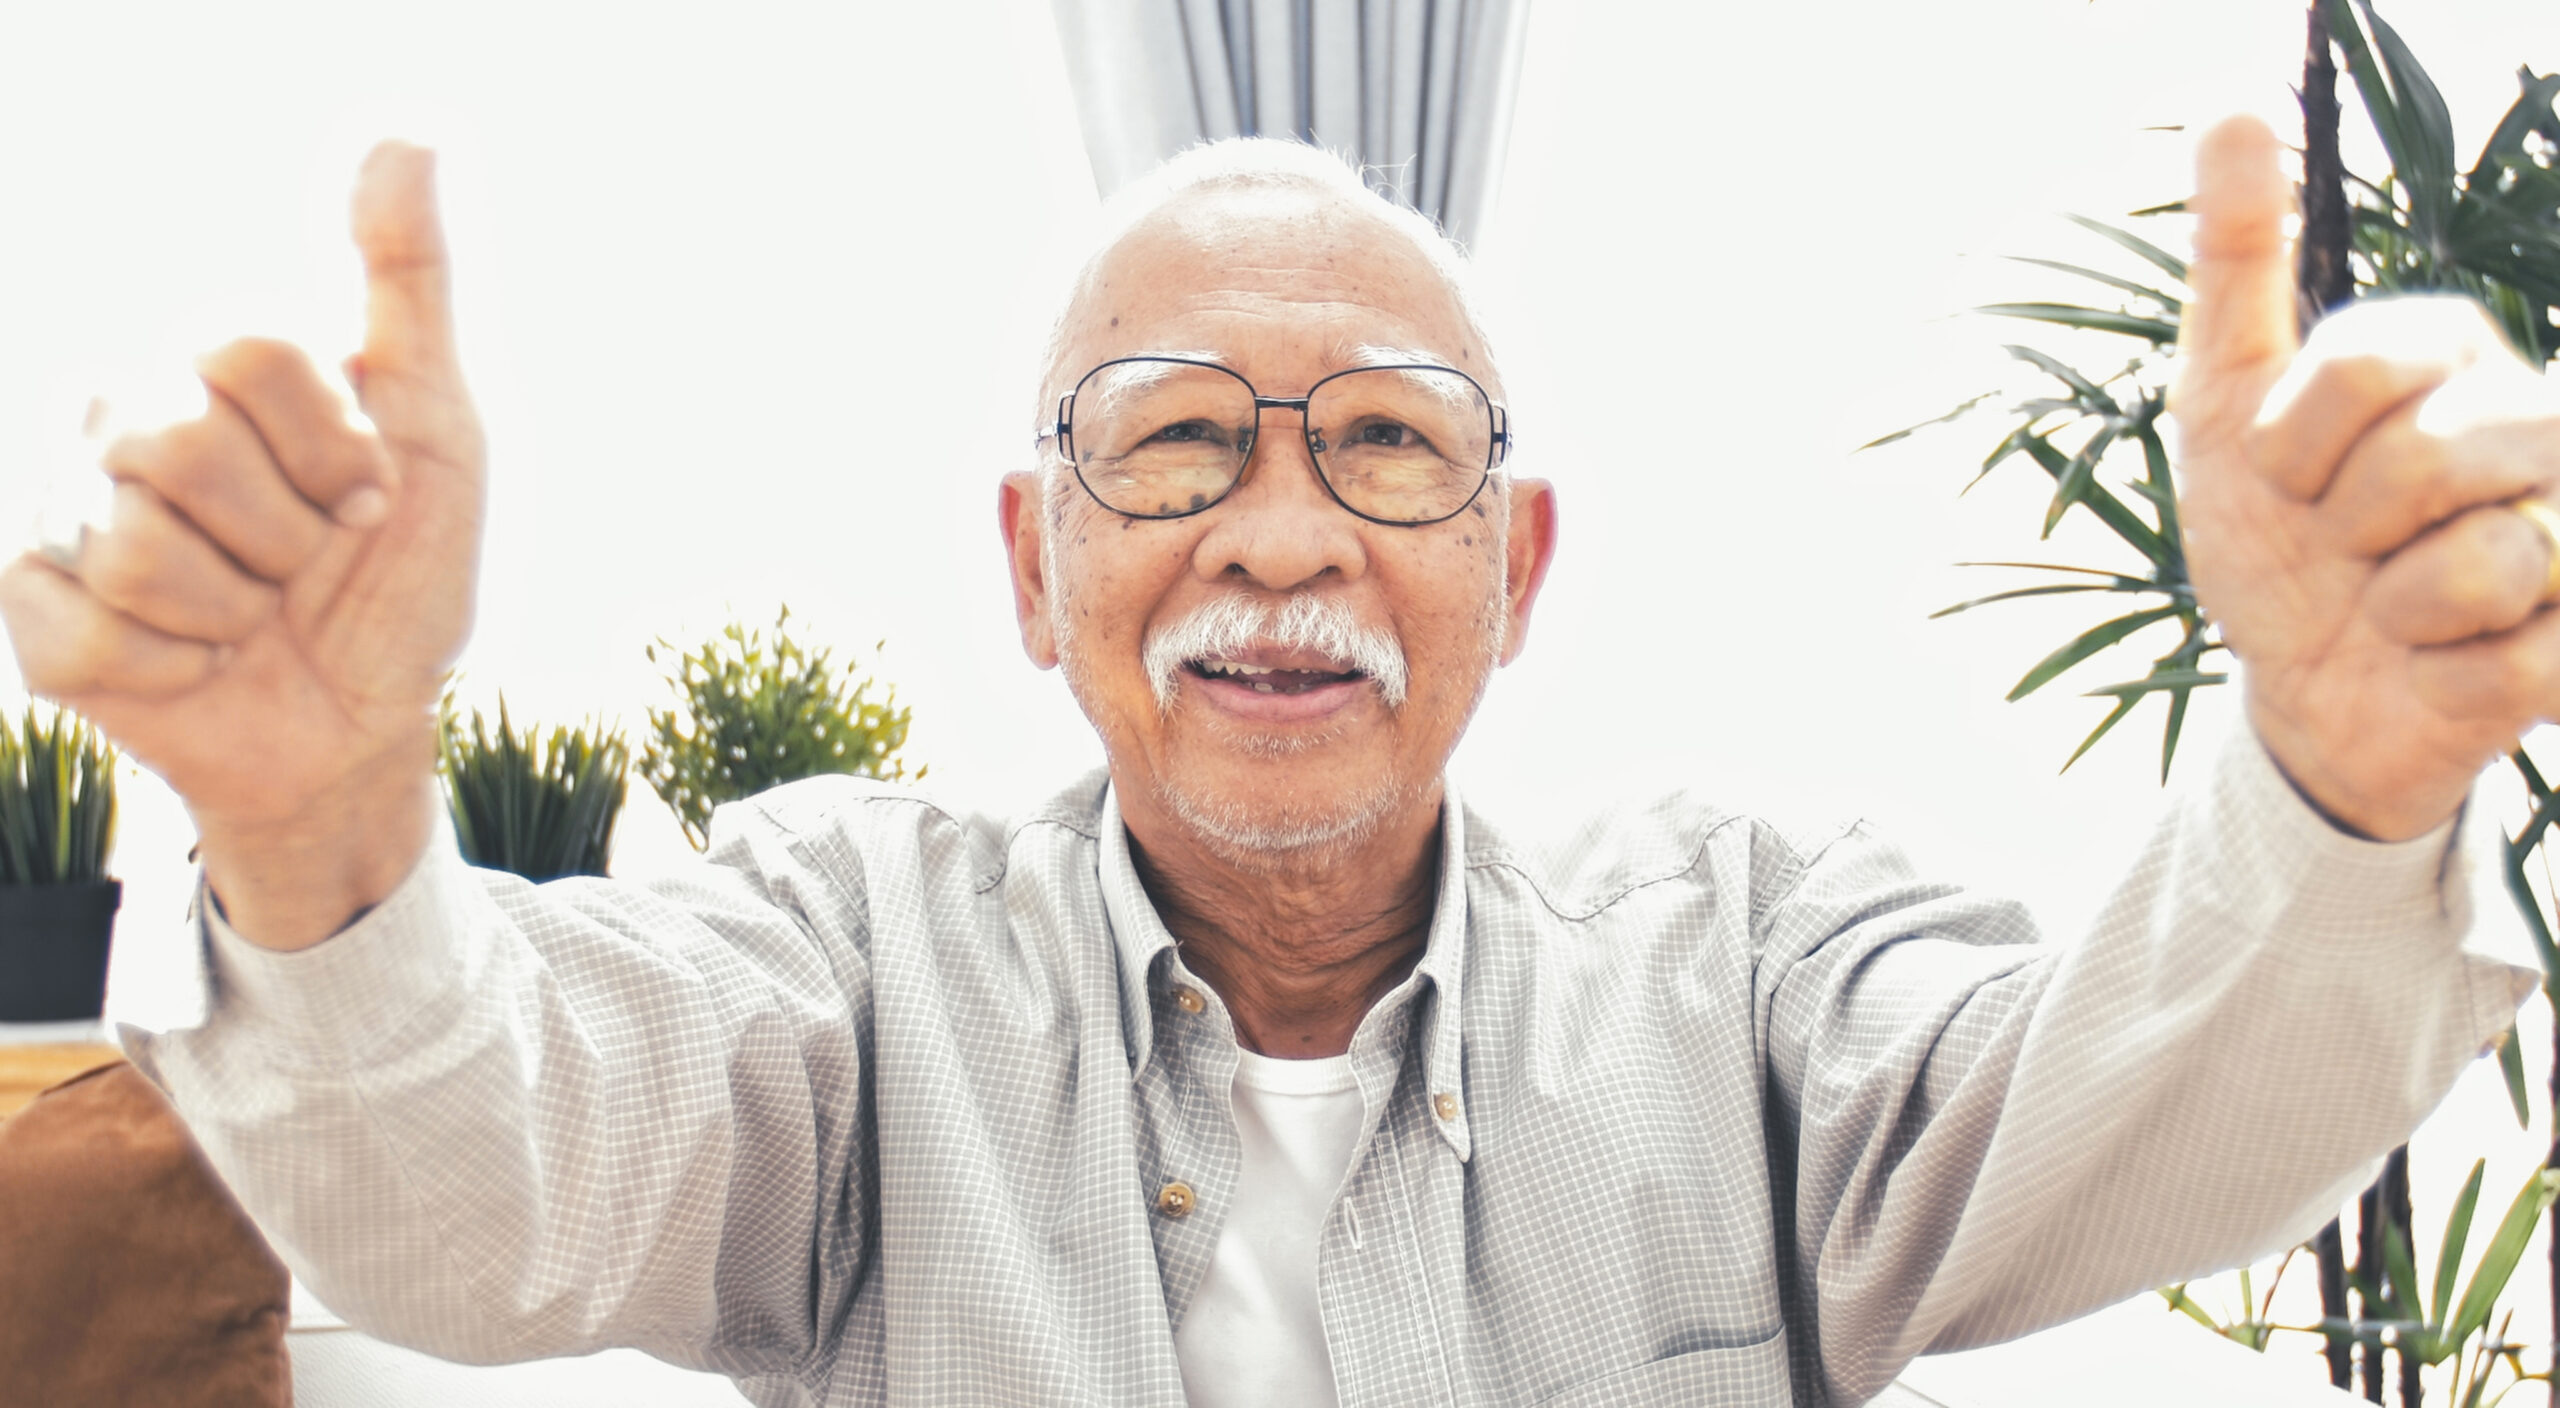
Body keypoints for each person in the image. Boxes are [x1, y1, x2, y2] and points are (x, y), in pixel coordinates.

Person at [0, 115, 2549, 1408]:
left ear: (1520, 563)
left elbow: (2140, 1105)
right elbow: (479, 1202)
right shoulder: (842, 946)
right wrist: (320, 827)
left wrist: (2334, 779)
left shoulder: (1748, 947)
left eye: (1384, 446)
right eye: (1178, 442)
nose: (1278, 534)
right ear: (1027, 563)